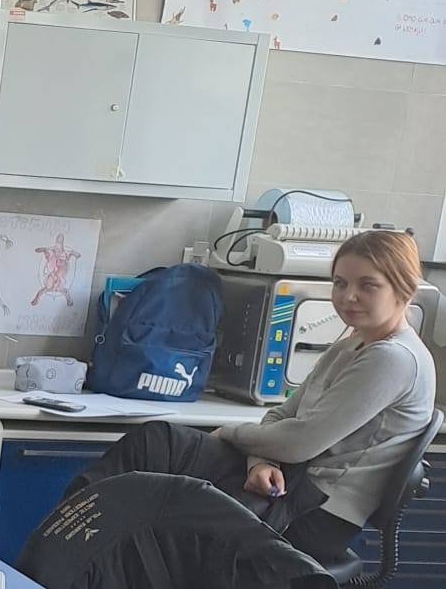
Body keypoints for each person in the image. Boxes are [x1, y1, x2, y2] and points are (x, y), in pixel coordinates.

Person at [78, 230, 436, 560]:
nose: (348, 296)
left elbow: (300, 443)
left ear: (404, 289)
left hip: (311, 514)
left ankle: (68, 558)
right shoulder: (352, 344)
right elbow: (282, 417)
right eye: (340, 283)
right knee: (154, 445)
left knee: (153, 515)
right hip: (286, 483)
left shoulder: (394, 358)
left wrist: (232, 434)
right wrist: (261, 461)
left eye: (368, 285)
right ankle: (66, 549)